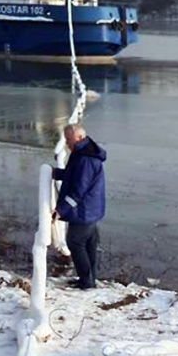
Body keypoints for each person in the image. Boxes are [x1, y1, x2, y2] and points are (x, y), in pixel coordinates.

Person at [53, 124, 107, 289]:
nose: (67, 144)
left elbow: (78, 190)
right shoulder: (83, 154)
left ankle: (86, 281)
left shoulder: (85, 159)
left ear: (79, 138)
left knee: (74, 242)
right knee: (89, 244)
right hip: (91, 209)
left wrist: (61, 210)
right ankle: (89, 279)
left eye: (69, 140)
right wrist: (56, 173)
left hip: (84, 210)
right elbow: (74, 176)